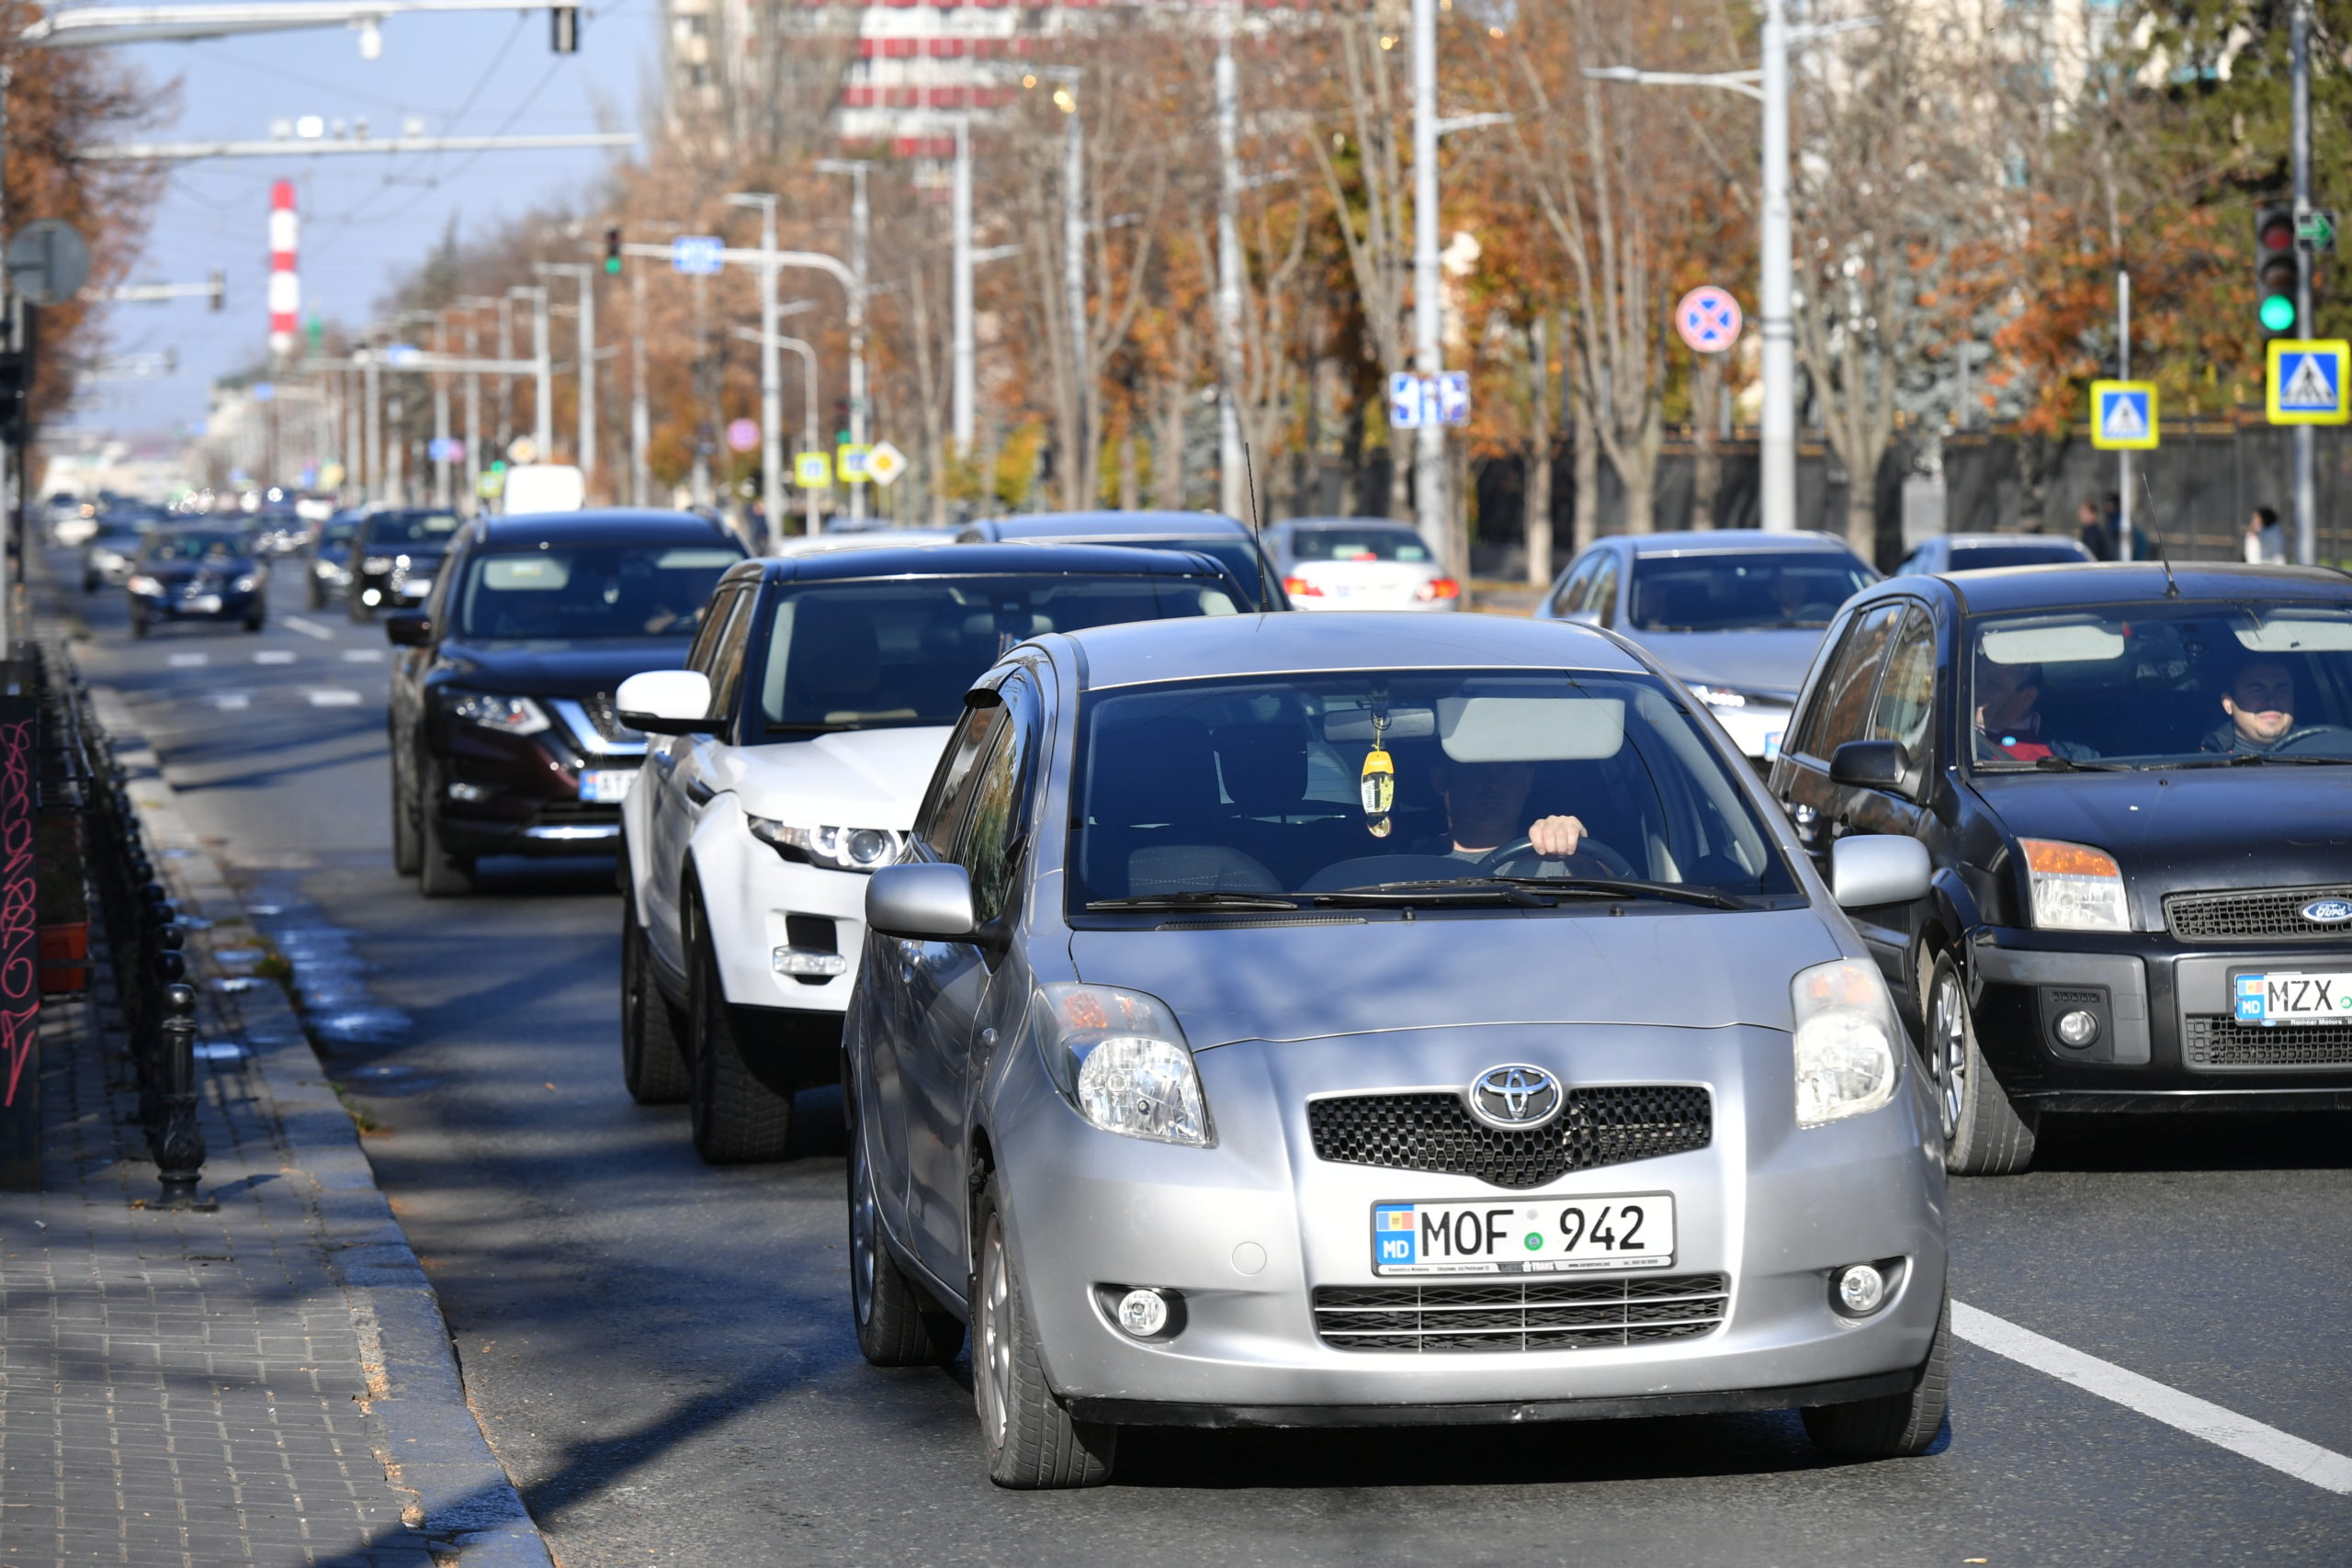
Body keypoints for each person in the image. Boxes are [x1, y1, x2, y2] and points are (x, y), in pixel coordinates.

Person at [1422, 760, 1588, 863]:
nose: (1493, 784)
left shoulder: (1558, 855)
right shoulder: (1413, 865)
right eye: (1474, 768)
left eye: (1508, 769)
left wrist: (1580, 854)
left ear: (1528, 781)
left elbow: (1609, 898)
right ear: (1440, 780)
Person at [2200, 659, 2346, 755]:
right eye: (2257, 690)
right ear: (2228, 703)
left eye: (2282, 689)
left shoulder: (2331, 755)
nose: (2271, 701)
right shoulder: (2202, 766)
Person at [1973, 657, 2097, 762]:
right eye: (1975, 681)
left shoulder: (2037, 757)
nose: (1976, 691)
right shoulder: (1958, 728)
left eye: (1993, 686)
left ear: (2028, 697)